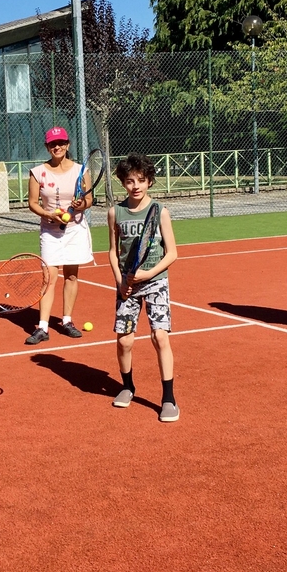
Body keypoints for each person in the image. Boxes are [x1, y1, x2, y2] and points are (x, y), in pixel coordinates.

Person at [107, 154, 179, 422]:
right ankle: (127, 387)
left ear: (149, 181)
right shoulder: (116, 212)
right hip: (127, 286)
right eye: (129, 181)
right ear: (122, 183)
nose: (135, 185)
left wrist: (148, 273)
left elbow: (172, 253)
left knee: (160, 337)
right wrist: (120, 281)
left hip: (156, 282)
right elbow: (113, 253)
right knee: (124, 340)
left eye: (140, 180)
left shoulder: (160, 211)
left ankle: (169, 398)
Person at [24, 126, 95, 344]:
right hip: (50, 230)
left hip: (75, 230)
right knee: (49, 277)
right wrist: (48, 214)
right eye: (53, 144)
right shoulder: (38, 172)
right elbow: (32, 203)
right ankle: (43, 327)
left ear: (68, 145)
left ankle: (67, 321)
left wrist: (80, 204)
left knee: (72, 275)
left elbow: (90, 200)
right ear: (47, 147)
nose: (57, 147)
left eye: (61, 143)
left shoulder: (81, 171)